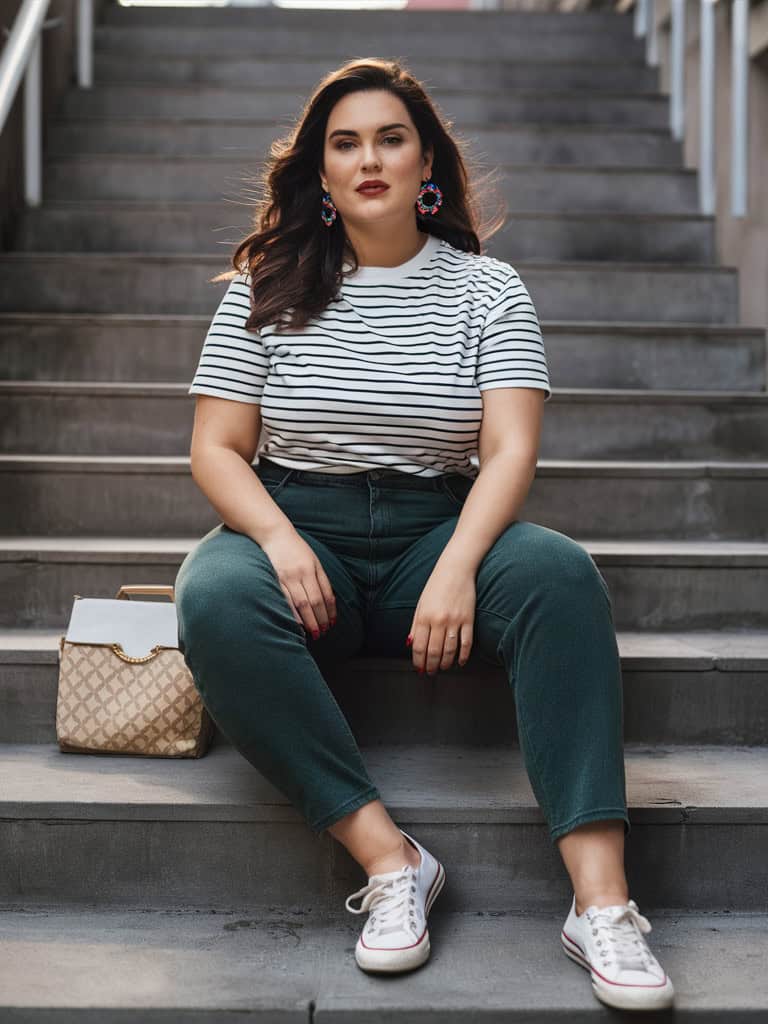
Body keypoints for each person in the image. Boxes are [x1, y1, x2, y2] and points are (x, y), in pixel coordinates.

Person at [174, 57, 674, 1012]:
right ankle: (392, 860)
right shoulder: (262, 288)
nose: (370, 159)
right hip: (298, 524)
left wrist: (454, 564)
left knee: (559, 574)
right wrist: (278, 541)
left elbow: (511, 452)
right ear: (319, 175)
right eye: (346, 143)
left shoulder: (489, 289)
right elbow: (216, 449)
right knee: (213, 594)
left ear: (426, 164)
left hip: (435, 533)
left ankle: (600, 904)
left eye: (391, 139)